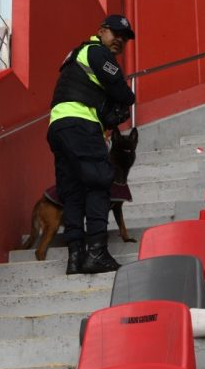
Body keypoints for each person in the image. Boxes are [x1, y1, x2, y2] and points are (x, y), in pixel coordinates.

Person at [46, 14, 137, 275]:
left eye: (125, 38)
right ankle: (96, 253)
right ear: (101, 31)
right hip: (81, 124)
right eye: (115, 34)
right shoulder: (97, 52)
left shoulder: (76, 55)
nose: (120, 40)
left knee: (72, 191)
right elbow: (123, 93)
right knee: (98, 182)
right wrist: (123, 102)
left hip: (58, 126)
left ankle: (75, 257)